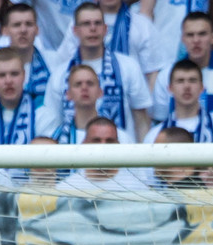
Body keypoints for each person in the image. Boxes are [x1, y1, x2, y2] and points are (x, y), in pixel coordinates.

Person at [44, 2, 151, 142]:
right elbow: (54, 120)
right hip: (71, 152)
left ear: (105, 29)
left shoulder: (128, 66)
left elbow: (141, 120)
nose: (92, 28)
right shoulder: (60, 74)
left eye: (97, 23)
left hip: (119, 152)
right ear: (75, 30)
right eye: (86, 24)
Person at [150, 12, 213, 127]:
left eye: (202, 34)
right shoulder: (166, 75)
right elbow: (160, 121)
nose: (196, 40)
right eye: (190, 35)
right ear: (182, 39)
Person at [0, 4, 54, 113]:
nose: (23, 30)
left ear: (37, 29)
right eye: (16, 25)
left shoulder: (53, 64)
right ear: (5, 30)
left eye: (28, 24)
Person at [143, 59, 213, 144]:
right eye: (180, 81)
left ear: (202, 88)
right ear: (170, 88)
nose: (187, 86)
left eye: (192, 80)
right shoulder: (156, 135)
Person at [41, 65, 133, 144]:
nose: (84, 88)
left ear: (100, 92)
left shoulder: (121, 137)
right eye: (78, 84)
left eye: (90, 83)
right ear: (68, 94)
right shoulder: (55, 137)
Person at [56, 116, 150, 191]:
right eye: (96, 140)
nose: (103, 146)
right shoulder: (66, 189)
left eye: (109, 141)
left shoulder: (137, 189)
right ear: (84, 144)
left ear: (118, 145)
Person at [0, 48, 38, 145]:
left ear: (24, 75)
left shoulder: (41, 114)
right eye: (1, 75)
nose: (8, 81)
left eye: (14, 74)